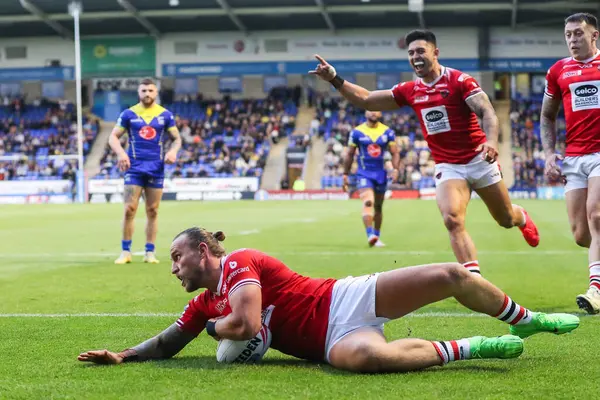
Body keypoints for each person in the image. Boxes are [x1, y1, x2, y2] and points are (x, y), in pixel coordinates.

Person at [78, 227, 579, 373]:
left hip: (344, 297)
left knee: (450, 273)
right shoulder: (202, 305)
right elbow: (168, 342)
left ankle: (526, 319)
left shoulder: (238, 264)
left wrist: (214, 330)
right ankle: (469, 347)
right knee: (366, 360)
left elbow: (247, 325)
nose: (172, 268)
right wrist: (123, 355)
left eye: (176, 258)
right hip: (329, 345)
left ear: (202, 252)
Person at [308, 29, 540, 276]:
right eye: (410, 53)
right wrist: (334, 78)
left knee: (505, 219)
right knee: (452, 219)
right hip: (448, 165)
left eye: (420, 51)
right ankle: (474, 279)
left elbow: (487, 112)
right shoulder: (410, 90)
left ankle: (521, 216)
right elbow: (366, 99)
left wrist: (491, 140)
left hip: (479, 159)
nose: (415, 57)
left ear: (435, 53)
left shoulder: (460, 81)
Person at [541, 13, 600, 314]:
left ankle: (596, 290)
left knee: (597, 216)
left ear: (594, 36)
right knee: (581, 234)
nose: (573, 39)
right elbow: (547, 115)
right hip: (574, 157)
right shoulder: (558, 71)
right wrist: (550, 153)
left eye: (579, 33)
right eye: (568, 34)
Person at [109, 78, 182, 265]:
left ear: (156, 92)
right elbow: (113, 137)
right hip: (134, 167)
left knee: (153, 210)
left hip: (156, 167)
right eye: (144, 91)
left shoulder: (165, 115)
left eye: (150, 90)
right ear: (138, 93)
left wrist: (173, 151)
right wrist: (121, 154)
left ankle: (150, 252)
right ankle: (125, 251)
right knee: (129, 209)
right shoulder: (129, 114)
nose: (147, 94)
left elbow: (177, 139)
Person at [343, 110, 400, 247]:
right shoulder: (357, 132)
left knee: (378, 207)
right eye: (370, 110)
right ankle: (370, 235)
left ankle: (377, 235)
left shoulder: (387, 132)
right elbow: (350, 154)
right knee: (368, 202)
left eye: (376, 110)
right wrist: (345, 174)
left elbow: (395, 152)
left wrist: (395, 169)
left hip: (381, 174)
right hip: (364, 173)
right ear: (365, 112)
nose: (373, 113)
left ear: (381, 113)